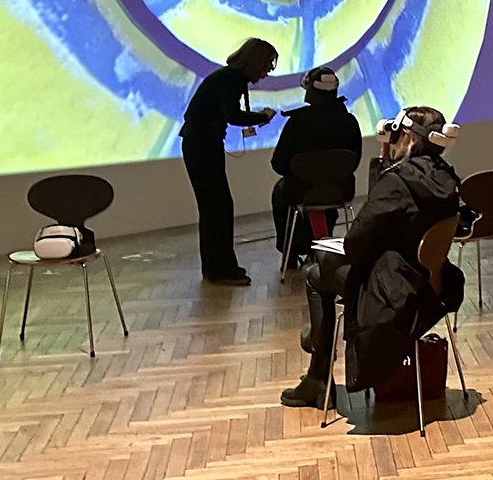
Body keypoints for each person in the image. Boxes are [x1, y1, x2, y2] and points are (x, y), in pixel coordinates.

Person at [280, 105, 466, 407]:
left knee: (315, 272)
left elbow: (355, 243)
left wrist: (385, 161)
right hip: (432, 287)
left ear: (407, 137)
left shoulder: (397, 183)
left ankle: (317, 367)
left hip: (393, 294)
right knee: (320, 267)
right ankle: (315, 352)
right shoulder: (447, 180)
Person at [180, 38, 277, 286]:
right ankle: (220, 269)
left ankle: (217, 268)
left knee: (215, 208)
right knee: (218, 208)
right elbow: (233, 115)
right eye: (267, 64)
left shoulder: (228, 78)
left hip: (201, 143)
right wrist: (261, 117)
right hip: (202, 145)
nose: (268, 71)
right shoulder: (231, 80)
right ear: (255, 61)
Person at [270, 66, 364, 267]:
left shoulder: (297, 122)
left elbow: (278, 163)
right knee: (324, 190)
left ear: (311, 91)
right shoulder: (350, 122)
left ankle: (290, 252)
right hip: (341, 190)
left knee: (281, 192)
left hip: (301, 191)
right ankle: (321, 247)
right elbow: (354, 161)